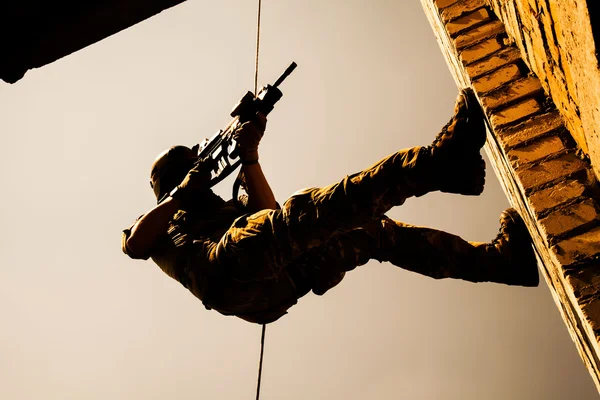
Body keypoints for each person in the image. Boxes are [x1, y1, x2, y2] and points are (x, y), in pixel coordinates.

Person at [122, 89, 539, 324]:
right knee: (307, 213)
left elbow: (271, 217)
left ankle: (501, 264)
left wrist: (249, 156)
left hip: (283, 279)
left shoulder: (221, 207)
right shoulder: (163, 226)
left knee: (371, 231)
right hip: (228, 276)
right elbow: (135, 246)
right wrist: (182, 192)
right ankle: (436, 165)